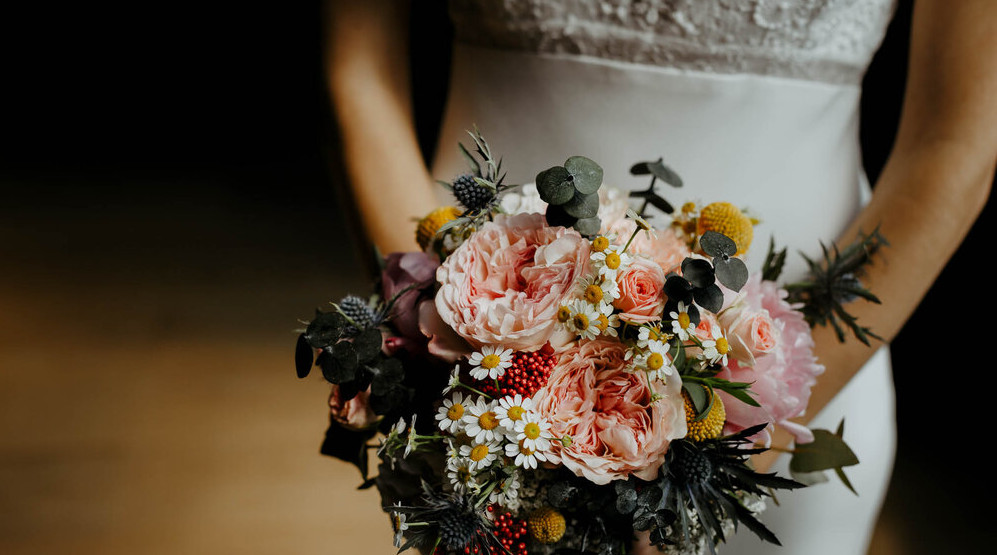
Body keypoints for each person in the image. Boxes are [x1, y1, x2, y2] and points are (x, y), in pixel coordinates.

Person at [325, 1, 996, 554]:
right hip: (478, 382)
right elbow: (359, 70)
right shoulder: (471, 385)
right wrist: (437, 335)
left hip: (807, 386)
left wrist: (740, 444)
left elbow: (955, 140)